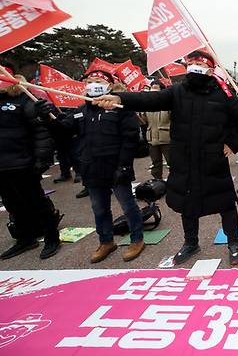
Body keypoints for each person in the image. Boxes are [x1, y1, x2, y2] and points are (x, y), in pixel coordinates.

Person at [93, 51, 238, 266]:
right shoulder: (176, 92)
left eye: (199, 63)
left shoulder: (224, 94)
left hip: (213, 160)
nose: (194, 66)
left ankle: (233, 242)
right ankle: (190, 243)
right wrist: (120, 98)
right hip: (184, 160)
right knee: (187, 204)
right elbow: (149, 99)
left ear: (211, 70)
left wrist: (232, 144)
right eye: (190, 63)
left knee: (225, 204)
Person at [44, 70, 144, 263]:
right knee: (99, 208)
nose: (92, 84)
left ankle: (137, 239)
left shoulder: (119, 107)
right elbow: (63, 131)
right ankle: (106, 241)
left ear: (108, 86)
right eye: (89, 81)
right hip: (91, 168)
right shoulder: (81, 110)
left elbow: (130, 138)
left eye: (97, 81)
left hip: (116, 167)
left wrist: (124, 165)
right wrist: (48, 118)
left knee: (128, 205)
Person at [0, 67, 61, 260]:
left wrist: (42, 159)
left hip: (23, 162)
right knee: (13, 204)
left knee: (37, 201)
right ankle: (25, 238)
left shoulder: (24, 100)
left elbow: (40, 132)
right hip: (2, 166)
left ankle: (52, 237)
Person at [142, 81, 171, 180]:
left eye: (155, 88)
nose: (153, 90)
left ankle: (175, 181)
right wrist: (139, 115)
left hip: (166, 138)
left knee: (172, 162)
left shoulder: (168, 104)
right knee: (156, 163)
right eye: (152, 88)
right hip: (152, 138)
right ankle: (158, 181)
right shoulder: (147, 105)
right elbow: (144, 122)